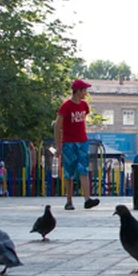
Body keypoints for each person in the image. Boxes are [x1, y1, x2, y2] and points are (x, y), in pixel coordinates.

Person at [55, 79, 99, 210]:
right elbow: (57, 126)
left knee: (83, 169)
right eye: (84, 90)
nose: (86, 93)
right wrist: (58, 146)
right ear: (78, 91)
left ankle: (87, 200)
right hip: (69, 143)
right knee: (69, 172)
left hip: (83, 141)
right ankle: (69, 201)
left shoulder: (84, 106)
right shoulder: (66, 106)